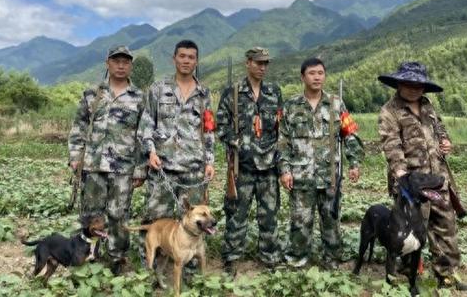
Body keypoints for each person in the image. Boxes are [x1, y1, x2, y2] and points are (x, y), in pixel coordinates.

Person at [377, 61, 467, 291]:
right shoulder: (389, 111)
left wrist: (445, 141)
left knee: (445, 225)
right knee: (410, 228)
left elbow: (439, 128)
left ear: (424, 87)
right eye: (409, 84)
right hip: (410, 184)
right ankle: (405, 272)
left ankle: (447, 275)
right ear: (399, 84)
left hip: (437, 178)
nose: (414, 89)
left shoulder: (428, 106)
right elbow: (391, 144)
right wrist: (400, 173)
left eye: (419, 85)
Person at [277, 57, 364, 269]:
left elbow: (349, 134)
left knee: (331, 221)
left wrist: (354, 163)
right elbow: (282, 141)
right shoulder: (290, 106)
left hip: (329, 176)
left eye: (320, 73)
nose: (317, 77)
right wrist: (284, 170)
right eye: (312, 73)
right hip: (301, 177)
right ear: (302, 77)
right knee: (300, 223)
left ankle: (332, 260)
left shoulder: (336, 104)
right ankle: (297, 260)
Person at [67, 45, 145, 275]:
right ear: (107, 63)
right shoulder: (93, 94)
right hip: (93, 165)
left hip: (124, 168)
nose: (121, 65)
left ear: (130, 65)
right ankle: (89, 255)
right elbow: (79, 126)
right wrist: (74, 156)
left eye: (125, 61)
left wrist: (141, 168)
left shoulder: (139, 97)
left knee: (119, 215)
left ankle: (117, 259)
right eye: (116, 60)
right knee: (91, 214)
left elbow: (143, 134)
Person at [216, 47, 283, 275]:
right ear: (248, 63)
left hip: (269, 167)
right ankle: (232, 258)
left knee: (270, 215)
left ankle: (270, 256)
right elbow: (221, 126)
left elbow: (279, 126)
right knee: (236, 214)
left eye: (266, 63)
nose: (262, 67)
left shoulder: (274, 92)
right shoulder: (232, 93)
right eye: (258, 63)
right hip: (241, 167)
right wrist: (239, 144)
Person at [138, 38, 215, 231]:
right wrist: (151, 152)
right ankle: (152, 260)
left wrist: (210, 162)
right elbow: (146, 124)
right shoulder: (159, 89)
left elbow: (208, 129)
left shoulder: (204, 93)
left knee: (193, 224)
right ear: (174, 59)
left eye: (191, 57)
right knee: (155, 220)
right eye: (182, 56)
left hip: (193, 170)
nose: (186, 61)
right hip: (163, 168)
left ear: (196, 61)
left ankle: (187, 260)